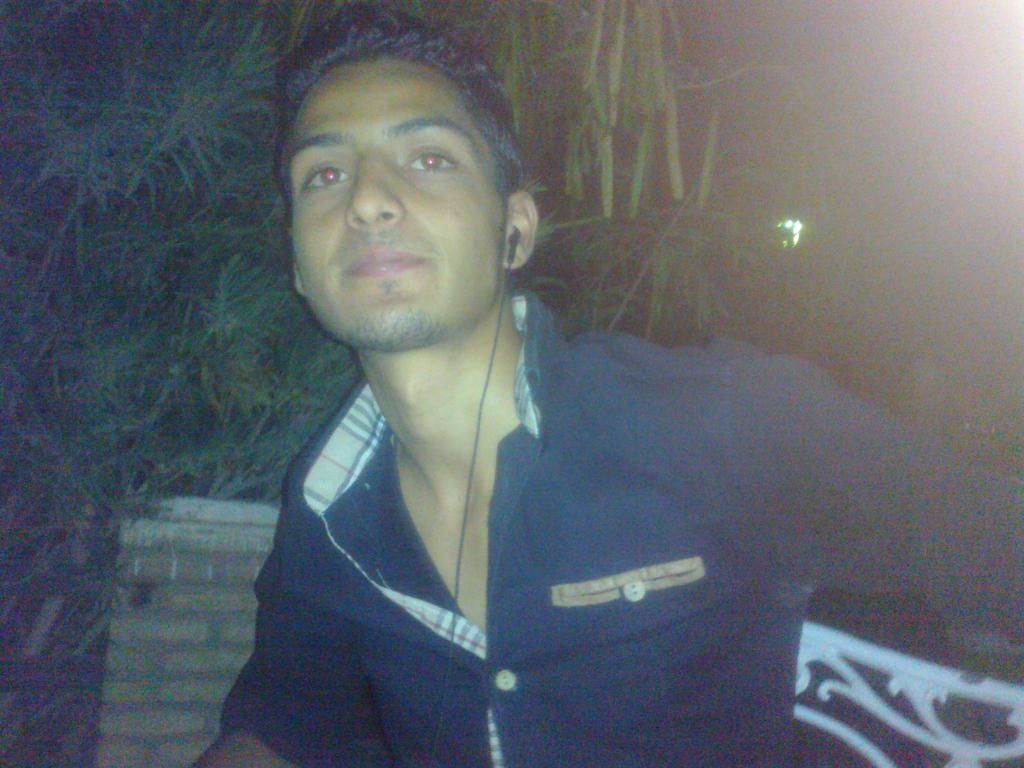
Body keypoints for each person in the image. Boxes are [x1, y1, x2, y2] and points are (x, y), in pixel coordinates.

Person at [195, 5, 1022, 767]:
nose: (369, 199)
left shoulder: (717, 422)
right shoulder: (326, 511)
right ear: (299, 263)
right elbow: (283, 725)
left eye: (429, 159)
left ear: (515, 228)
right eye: (324, 175)